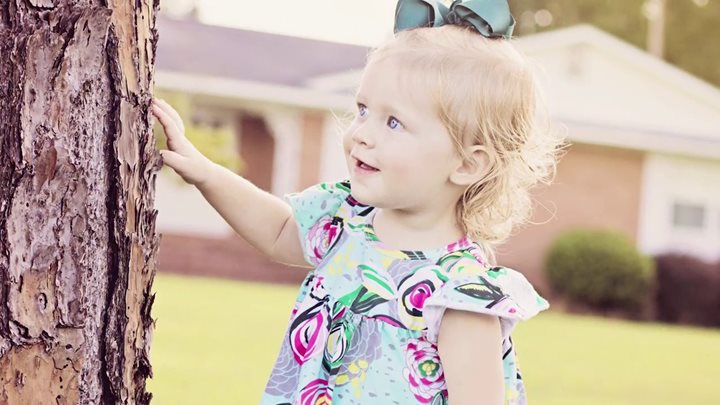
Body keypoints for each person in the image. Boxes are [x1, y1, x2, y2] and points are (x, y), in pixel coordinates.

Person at [152, 0, 564, 403]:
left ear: (467, 165)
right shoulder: (346, 218)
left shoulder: (457, 294)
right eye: (364, 109)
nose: (362, 133)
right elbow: (277, 230)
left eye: (394, 122)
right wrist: (205, 172)